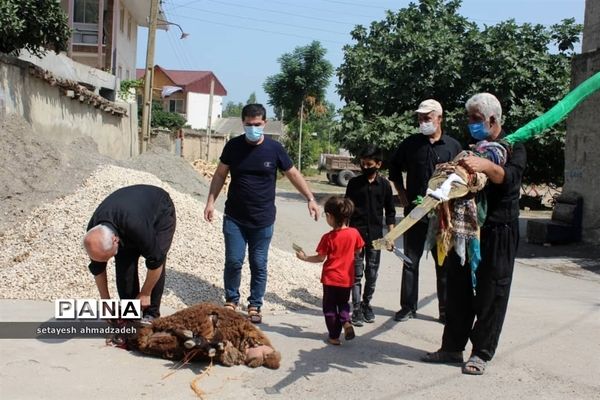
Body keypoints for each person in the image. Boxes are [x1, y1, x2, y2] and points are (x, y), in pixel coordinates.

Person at [421, 93, 526, 375]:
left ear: (493, 120)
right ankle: (452, 348)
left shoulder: (512, 147)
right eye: (469, 118)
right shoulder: (473, 149)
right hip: (467, 230)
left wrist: (487, 167)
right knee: (458, 289)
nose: (470, 123)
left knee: (492, 292)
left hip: (498, 230)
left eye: (476, 119)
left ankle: (481, 352)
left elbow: (509, 178)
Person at [203, 103, 319, 324]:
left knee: (258, 263)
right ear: (243, 123)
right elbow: (219, 175)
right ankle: (231, 299)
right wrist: (210, 202)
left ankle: (255, 304)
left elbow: (293, 174)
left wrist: (310, 199)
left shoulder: (275, 149)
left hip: (263, 220)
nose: (253, 128)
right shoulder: (233, 147)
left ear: (265, 123)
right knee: (234, 261)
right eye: (249, 124)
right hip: (235, 217)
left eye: (257, 124)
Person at [389, 99, 463, 323]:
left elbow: (462, 178)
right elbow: (394, 171)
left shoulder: (453, 146)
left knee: (443, 263)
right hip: (416, 213)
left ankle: (444, 310)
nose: (423, 122)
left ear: (439, 119)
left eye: (427, 118)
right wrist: (403, 198)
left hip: (443, 216)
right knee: (410, 260)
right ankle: (407, 307)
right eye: (420, 118)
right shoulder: (411, 144)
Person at [84, 184, 176, 323]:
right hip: (128, 213)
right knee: (124, 264)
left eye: (108, 258)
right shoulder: (94, 234)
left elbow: (156, 261)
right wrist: (105, 302)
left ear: (115, 240)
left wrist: (145, 293)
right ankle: (131, 314)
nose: (106, 261)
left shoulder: (137, 227)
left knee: (157, 257)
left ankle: (150, 314)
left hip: (160, 210)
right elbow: (98, 268)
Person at [295, 196, 365, 345]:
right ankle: (346, 321)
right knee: (344, 303)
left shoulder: (328, 237)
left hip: (330, 278)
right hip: (347, 278)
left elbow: (320, 258)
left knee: (330, 308)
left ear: (330, 216)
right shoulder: (354, 233)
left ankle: (334, 336)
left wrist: (305, 258)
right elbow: (358, 250)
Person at [345, 145, 396, 326]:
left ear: (378, 164)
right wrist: (343, 232)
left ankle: (367, 304)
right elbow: (347, 210)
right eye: (363, 164)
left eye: (369, 164)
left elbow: (390, 212)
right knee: (356, 274)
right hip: (355, 235)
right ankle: (357, 308)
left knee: (372, 273)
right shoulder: (353, 184)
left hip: (377, 237)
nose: (365, 167)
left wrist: (391, 235)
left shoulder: (385, 186)